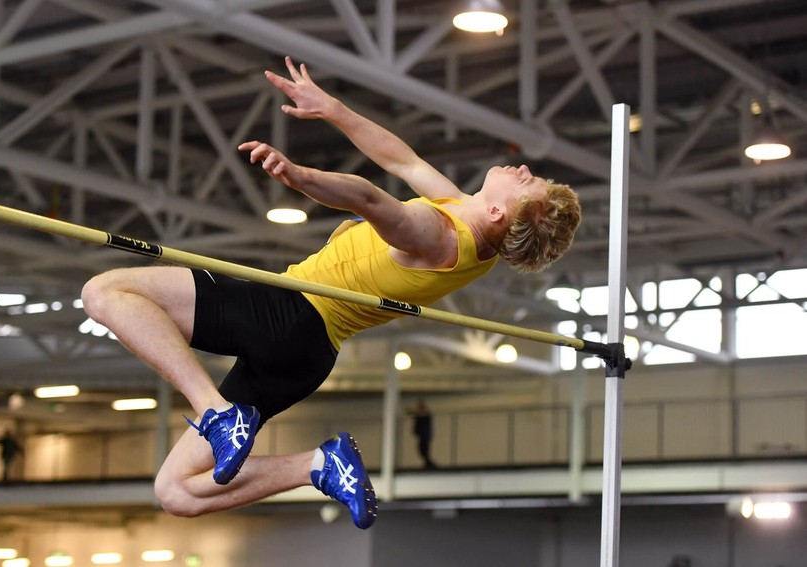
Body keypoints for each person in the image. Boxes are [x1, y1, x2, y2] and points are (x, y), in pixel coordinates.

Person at [81, 56, 581, 530]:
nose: (521, 170)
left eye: (526, 184)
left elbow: (368, 195)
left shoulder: (438, 235)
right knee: (176, 492)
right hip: (308, 355)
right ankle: (317, 465)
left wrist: (299, 177)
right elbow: (401, 159)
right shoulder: (468, 227)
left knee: (104, 292)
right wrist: (333, 110)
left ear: (499, 215)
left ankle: (216, 413)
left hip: (291, 310)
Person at [411, 399, 436, 469]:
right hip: (422, 435)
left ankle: (429, 464)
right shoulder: (421, 416)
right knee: (422, 451)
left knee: (424, 450)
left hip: (425, 435)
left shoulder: (425, 416)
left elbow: (422, 424)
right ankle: (428, 463)